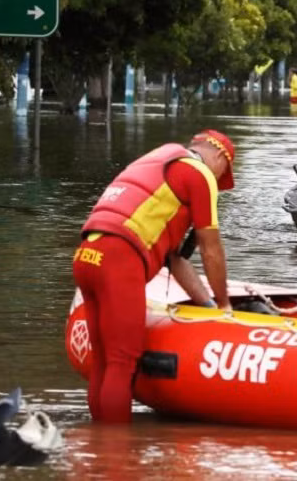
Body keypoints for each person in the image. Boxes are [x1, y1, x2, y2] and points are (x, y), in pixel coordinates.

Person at [72, 129, 236, 423]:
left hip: (87, 255)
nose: (218, 182)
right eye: (223, 174)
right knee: (122, 362)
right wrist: (225, 305)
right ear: (220, 157)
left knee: (103, 360)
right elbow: (211, 250)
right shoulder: (199, 173)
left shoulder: (159, 162)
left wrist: (209, 306)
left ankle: (96, 443)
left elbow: (175, 260)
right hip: (119, 260)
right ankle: (115, 447)